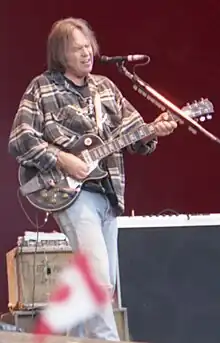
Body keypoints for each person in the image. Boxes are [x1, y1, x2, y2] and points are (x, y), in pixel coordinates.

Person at [8, 17, 177, 341]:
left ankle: (72, 339)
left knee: (103, 283)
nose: (87, 53)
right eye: (78, 48)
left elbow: (136, 136)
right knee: (98, 278)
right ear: (61, 53)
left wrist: (154, 129)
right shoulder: (42, 88)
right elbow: (20, 140)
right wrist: (62, 159)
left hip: (108, 191)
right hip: (69, 191)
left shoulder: (105, 89)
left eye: (89, 46)